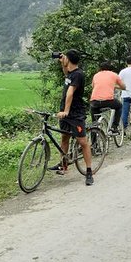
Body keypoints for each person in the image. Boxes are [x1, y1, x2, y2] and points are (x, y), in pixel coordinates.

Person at [48, 49, 94, 186]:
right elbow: (66, 75)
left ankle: (89, 171)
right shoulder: (71, 73)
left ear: (70, 59)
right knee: (64, 138)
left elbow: (70, 93)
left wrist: (66, 111)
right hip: (65, 113)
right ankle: (64, 165)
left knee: (83, 142)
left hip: (75, 114)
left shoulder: (78, 75)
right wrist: (63, 64)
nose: (63, 57)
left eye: (65, 57)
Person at [90, 61, 126, 135]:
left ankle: (94, 144)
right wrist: (115, 86)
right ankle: (114, 127)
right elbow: (123, 87)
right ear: (110, 68)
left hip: (94, 101)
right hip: (108, 101)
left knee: (94, 123)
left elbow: (93, 86)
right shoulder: (114, 75)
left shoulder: (96, 75)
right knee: (119, 106)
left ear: (100, 68)